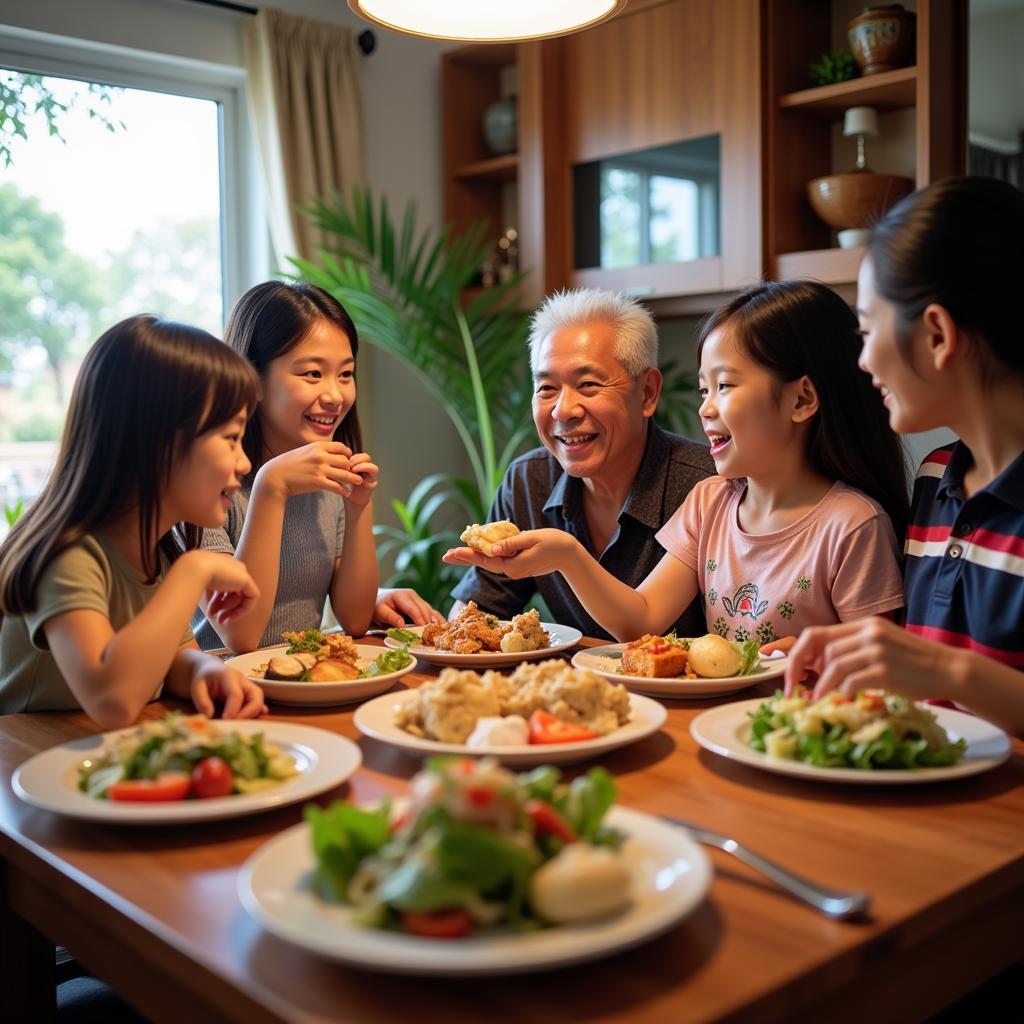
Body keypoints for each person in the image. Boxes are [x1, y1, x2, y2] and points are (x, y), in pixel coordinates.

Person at [447, 280, 909, 646]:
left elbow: (883, 669)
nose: (705, 408)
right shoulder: (713, 502)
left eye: (724, 387)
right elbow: (642, 620)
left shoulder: (851, 525)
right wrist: (567, 554)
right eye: (705, 390)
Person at [784, 177, 1024, 738]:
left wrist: (947, 669)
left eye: (867, 331)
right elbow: (933, 698)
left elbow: (947, 675)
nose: (864, 362)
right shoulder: (937, 474)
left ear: (937, 334)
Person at [0, 316, 266, 726]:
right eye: (231, 438)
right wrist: (194, 571)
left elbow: (170, 655)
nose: (245, 462)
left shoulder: (155, 546)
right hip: (30, 764)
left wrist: (204, 669)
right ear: (158, 442)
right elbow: (111, 697)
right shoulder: (67, 552)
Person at [447, 288, 715, 640]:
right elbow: (479, 609)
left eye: (588, 384)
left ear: (647, 393)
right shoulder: (529, 481)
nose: (563, 410)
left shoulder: (710, 487)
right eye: (546, 388)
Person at [193, 281, 441, 654]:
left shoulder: (326, 477)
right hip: (221, 693)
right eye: (312, 374)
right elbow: (240, 635)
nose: (335, 396)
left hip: (305, 683)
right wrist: (271, 487)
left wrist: (358, 507)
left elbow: (355, 619)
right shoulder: (203, 484)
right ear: (253, 379)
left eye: (345, 374)